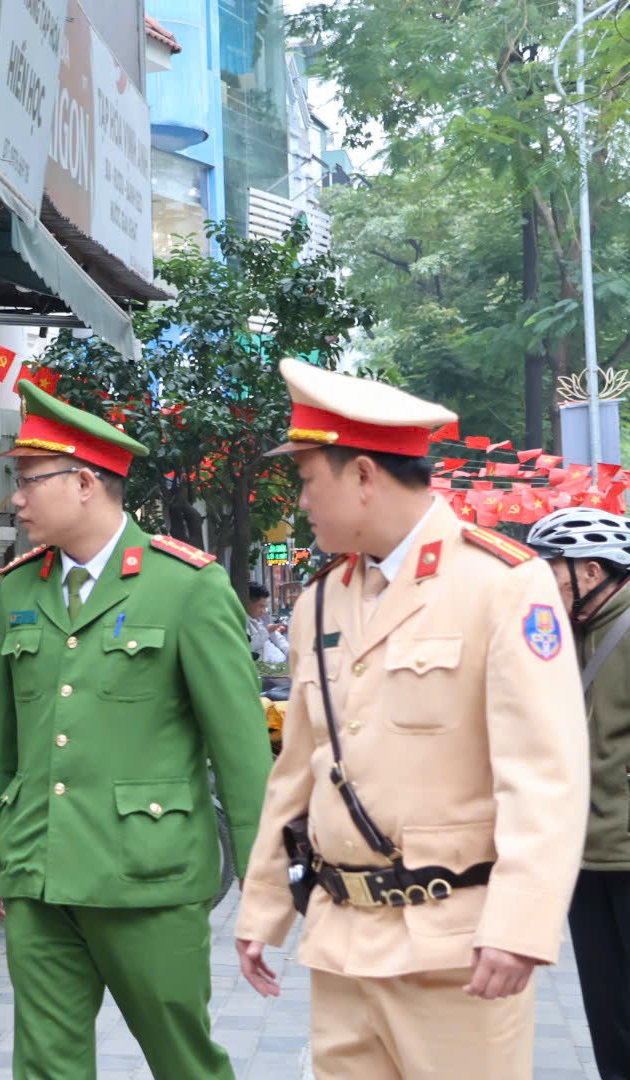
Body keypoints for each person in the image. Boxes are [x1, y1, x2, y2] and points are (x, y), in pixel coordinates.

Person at [235, 359, 589, 1079]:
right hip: (341, 942)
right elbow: (297, 768)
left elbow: (545, 773)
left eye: (308, 479)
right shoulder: (322, 601)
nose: (300, 500)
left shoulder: (501, 584)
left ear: (363, 474)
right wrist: (264, 903)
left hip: (456, 950)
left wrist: (521, 927)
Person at [0, 380, 272, 1080]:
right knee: (44, 1067)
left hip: (147, 876)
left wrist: (263, 881)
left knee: (182, 1060)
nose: (15, 497)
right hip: (39, 872)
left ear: (84, 483)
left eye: (27, 479)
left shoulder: (184, 586)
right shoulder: (19, 587)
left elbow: (241, 747)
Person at [526, 507, 630, 1079]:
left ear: (589, 572)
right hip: (586, 855)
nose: (544, 586)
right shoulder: (570, 635)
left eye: (552, 572)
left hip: (625, 850)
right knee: (607, 1016)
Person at [245, 583, 289, 663]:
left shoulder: (261, 618)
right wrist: (267, 631)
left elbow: (279, 639)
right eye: (261, 606)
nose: (263, 610)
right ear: (249, 603)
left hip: (281, 661)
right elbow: (249, 647)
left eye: (265, 607)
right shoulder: (244, 622)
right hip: (268, 667)